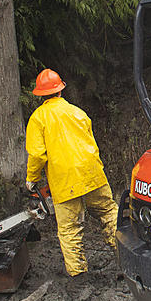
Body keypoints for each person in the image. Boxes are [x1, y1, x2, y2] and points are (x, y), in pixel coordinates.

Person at [25, 68, 117, 277]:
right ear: (60, 91)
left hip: (64, 182)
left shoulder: (38, 118)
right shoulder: (78, 112)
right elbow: (92, 144)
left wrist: (31, 180)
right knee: (109, 212)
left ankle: (78, 277)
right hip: (93, 174)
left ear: (40, 95)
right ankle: (124, 254)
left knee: (69, 230)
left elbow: (38, 155)